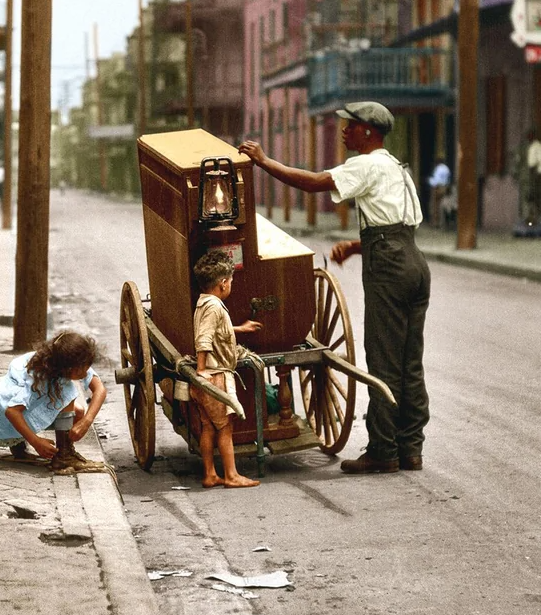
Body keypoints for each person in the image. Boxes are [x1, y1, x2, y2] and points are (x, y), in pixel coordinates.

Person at [241, 101, 430, 475]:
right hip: (413, 262)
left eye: (350, 126)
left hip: (389, 267)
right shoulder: (398, 167)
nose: (343, 131)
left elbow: (313, 183)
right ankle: (411, 449)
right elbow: (402, 226)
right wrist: (357, 246)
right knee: (410, 362)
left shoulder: (367, 163)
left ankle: (383, 451)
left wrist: (264, 161)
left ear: (368, 132)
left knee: (384, 360)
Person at [190, 249, 263, 489]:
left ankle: (210, 474)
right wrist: (202, 370)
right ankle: (231, 475)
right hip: (215, 376)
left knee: (208, 426)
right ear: (223, 284)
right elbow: (205, 337)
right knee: (225, 427)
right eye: (230, 281)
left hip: (205, 378)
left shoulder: (203, 303)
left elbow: (218, 329)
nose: (231, 285)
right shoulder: (216, 306)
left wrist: (240, 329)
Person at [0, 331, 106, 470]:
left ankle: (24, 450)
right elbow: (12, 411)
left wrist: (87, 421)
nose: (85, 374)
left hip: (16, 410)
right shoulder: (37, 374)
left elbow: (100, 390)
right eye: (81, 371)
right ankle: (63, 456)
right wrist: (36, 442)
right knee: (66, 392)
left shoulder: (70, 359)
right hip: (5, 417)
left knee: (79, 412)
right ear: (67, 368)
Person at [427, 155, 451, 229]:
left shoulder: (438, 168)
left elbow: (436, 180)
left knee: (435, 206)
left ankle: (435, 223)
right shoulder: (446, 169)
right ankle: (442, 223)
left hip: (437, 188)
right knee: (442, 206)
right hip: (445, 187)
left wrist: (430, 181)